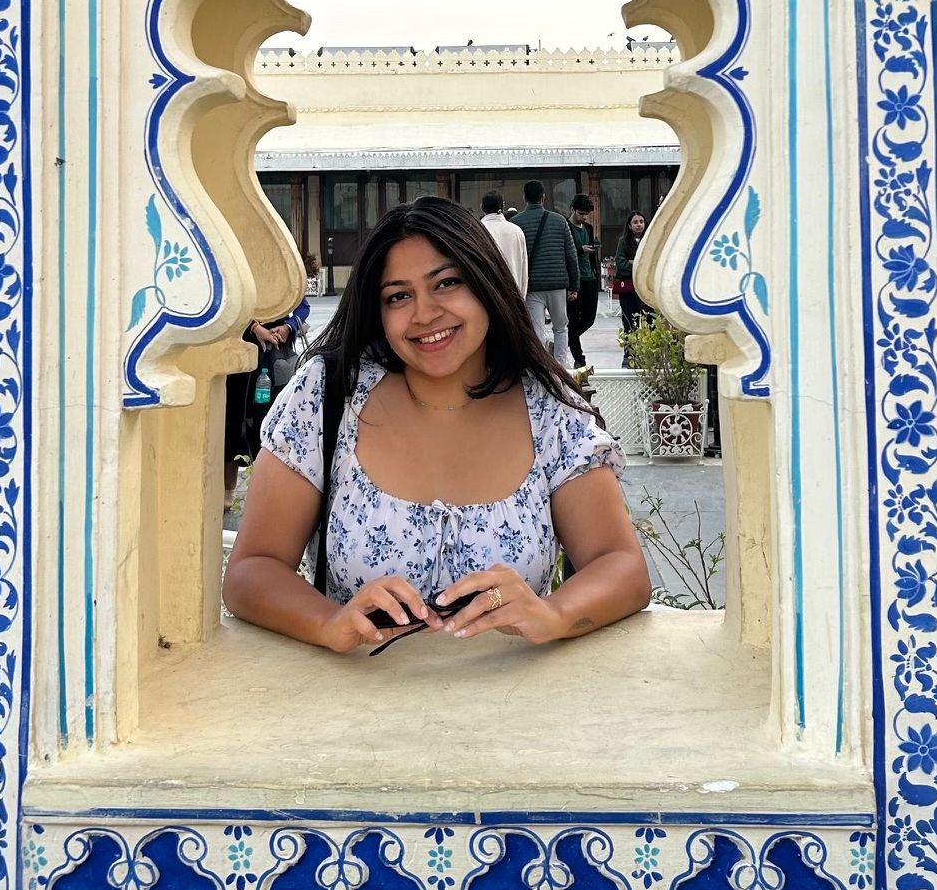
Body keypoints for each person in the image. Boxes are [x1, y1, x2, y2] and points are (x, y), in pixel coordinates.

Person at [223, 196, 650, 654]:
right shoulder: (328, 396)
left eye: (446, 283)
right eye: (398, 296)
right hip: (356, 695)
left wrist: (555, 615)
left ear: (485, 283)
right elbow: (253, 569)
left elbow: (620, 565)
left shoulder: (548, 409)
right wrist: (328, 623)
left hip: (516, 697)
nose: (424, 314)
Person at [223, 297, 311, 511]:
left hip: (274, 358)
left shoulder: (284, 279)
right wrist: (255, 327)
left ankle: (266, 494)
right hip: (241, 356)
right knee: (232, 421)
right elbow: (230, 301)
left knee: (270, 423)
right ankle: (227, 494)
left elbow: (302, 306)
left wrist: (288, 327)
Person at [510, 180, 579, 368]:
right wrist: (574, 285)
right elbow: (571, 256)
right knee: (561, 328)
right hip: (557, 285)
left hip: (532, 287)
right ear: (543, 197)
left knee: (537, 332)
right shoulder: (560, 221)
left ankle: (541, 370)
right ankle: (560, 369)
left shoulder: (516, 224)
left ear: (524, 198)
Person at [614, 210, 656, 368]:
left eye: (641, 221)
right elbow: (621, 264)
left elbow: (653, 262)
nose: (639, 225)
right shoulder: (624, 242)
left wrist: (633, 262)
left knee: (650, 321)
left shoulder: (651, 240)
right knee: (629, 323)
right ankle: (629, 354)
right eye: (635, 222)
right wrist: (639, 264)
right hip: (629, 290)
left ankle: (650, 355)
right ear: (630, 226)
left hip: (647, 289)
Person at [566, 194, 600, 368]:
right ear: (572, 209)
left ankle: (565, 340)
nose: (584, 217)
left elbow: (592, 253)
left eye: (586, 214)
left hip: (590, 277)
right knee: (572, 320)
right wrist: (581, 250)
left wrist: (596, 272)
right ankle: (579, 357)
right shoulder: (566, 226)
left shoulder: (588, 227)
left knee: (589, 318)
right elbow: (565, 251)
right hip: (574, 279)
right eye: (581, 213)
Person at [480, 189, 528, 296]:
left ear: (482, 207)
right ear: (503, 206)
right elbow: (524, 270)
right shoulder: (516, 231)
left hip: (486, 295)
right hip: (513, 296)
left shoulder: (477, 231)